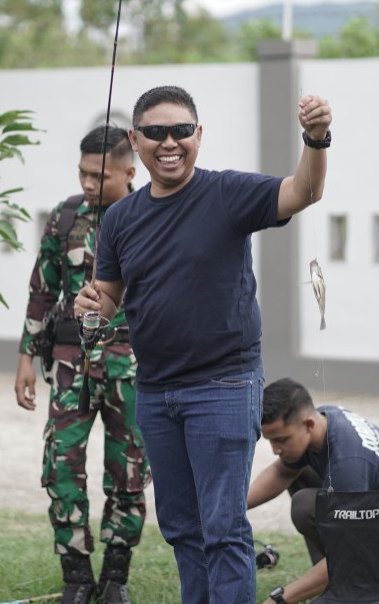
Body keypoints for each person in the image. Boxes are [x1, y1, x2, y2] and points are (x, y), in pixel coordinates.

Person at [74, 85, 331, 603]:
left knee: (223, 526)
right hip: (156, 391)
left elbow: (304, 191)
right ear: (135, 139)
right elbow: (108, 300)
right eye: (155, 132)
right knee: (182, 528)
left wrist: (316, 138)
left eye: (181, 131)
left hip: (224, 385)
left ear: (198, 135)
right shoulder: (121, 218)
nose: (169, 142)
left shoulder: (227, 194)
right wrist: (90, 309)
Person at [15, 126, 151, 604]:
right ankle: (76, 578)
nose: (89, 183)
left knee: (129, 474)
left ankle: (116, 578)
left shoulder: (153, 216)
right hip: (71, 365)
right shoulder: (66, 215)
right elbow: (41, 290)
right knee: (61, 468)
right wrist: (26, 359)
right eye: (82, 173)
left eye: (99, 175)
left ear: (130, 172)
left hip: (133, 366)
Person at [247, 378, 379, 604]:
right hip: (376, 511)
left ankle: (348, 585)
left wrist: (279, 600)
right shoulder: (323, 420)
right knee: (300, 473)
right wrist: (233, 509)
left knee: (305, 506)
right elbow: (282, 473)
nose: (275, 449)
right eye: (270, 440)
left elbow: (350, 552)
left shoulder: (347, 463)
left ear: (308, 425)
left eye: (281, 440)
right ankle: (342, 581)